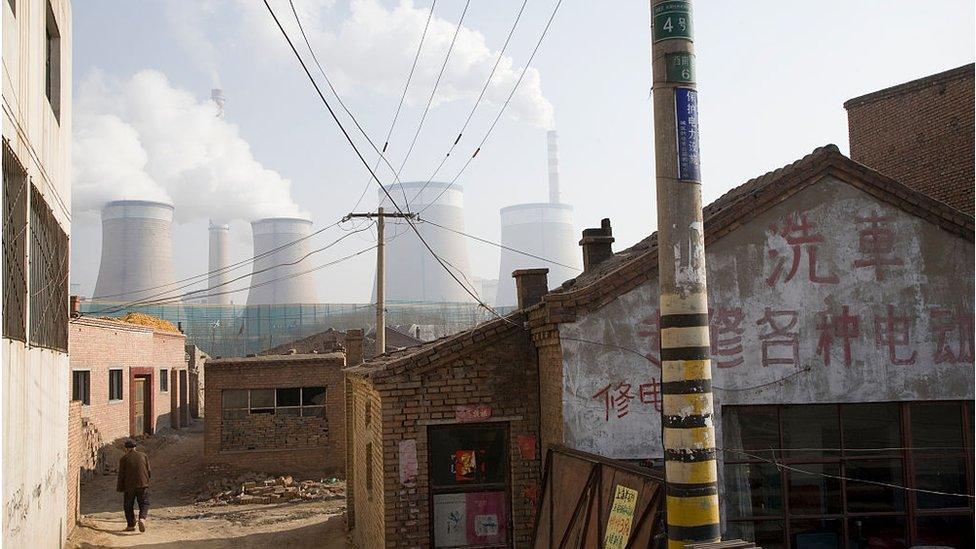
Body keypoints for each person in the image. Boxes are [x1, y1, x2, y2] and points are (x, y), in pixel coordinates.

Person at [116, 438, 151, 532]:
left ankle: (131, 525)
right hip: (143, 484)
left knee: (128, 505)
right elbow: (148, 470)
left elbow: (121, 475)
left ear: (126, 449)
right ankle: (142, 519)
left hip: (129, 486)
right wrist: (146, 481)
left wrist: (120, 487)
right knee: (144, 503)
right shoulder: (144, 455)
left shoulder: (124, 458)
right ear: (135, 447)